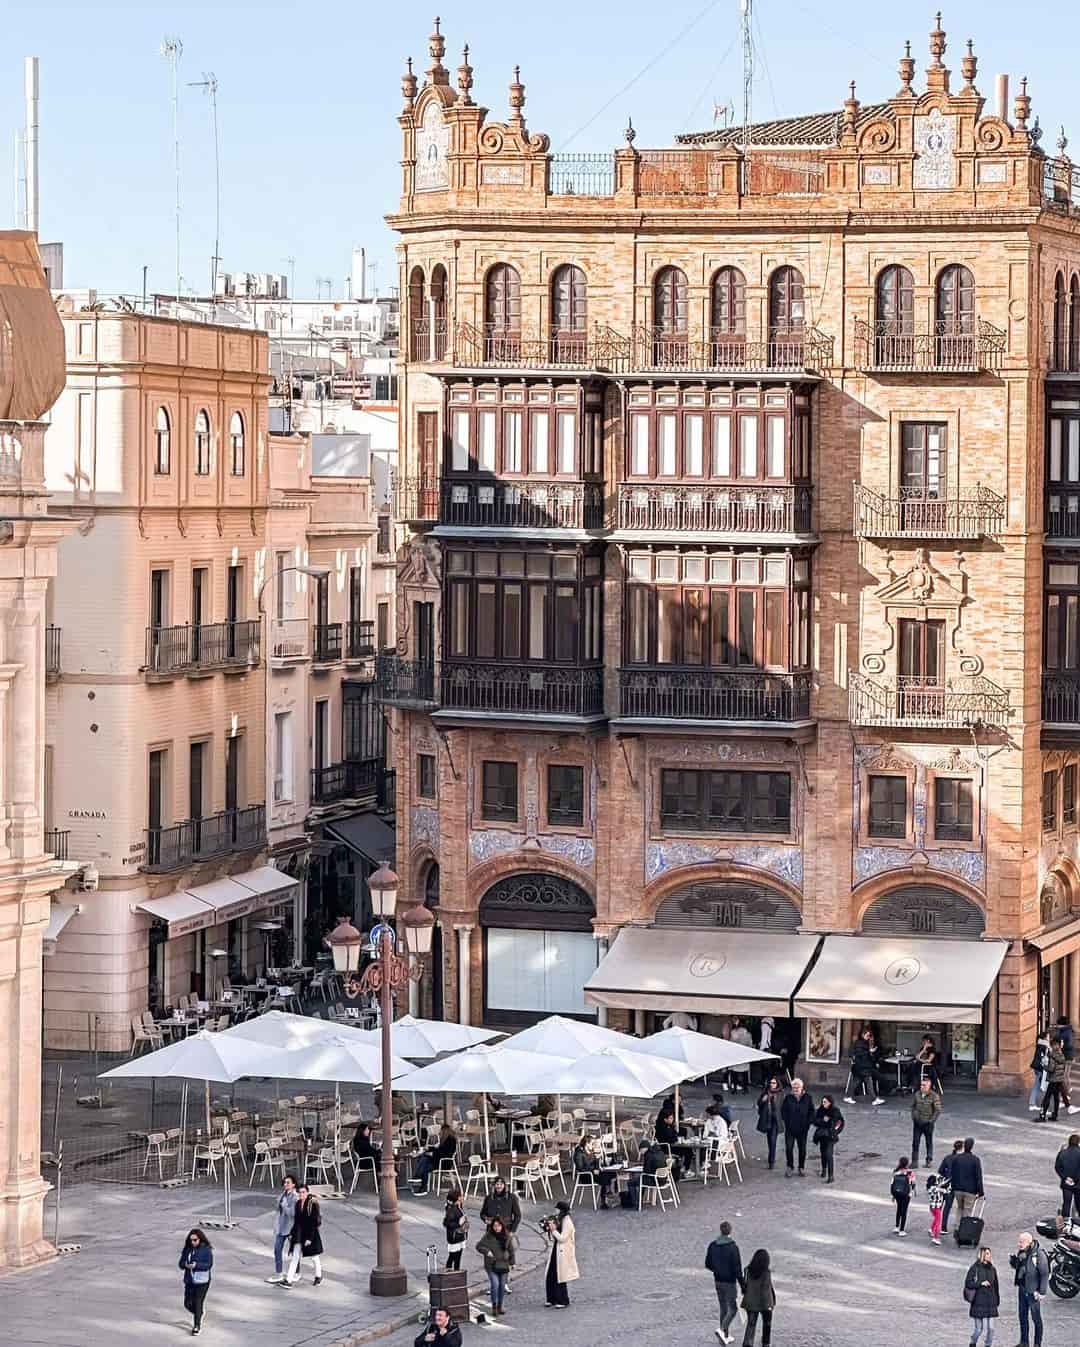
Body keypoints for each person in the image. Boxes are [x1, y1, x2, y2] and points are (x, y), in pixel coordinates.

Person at [705, 1219, 745, 1345]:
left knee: (723, 1307)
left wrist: (717, 1270)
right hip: (729, 1282)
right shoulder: (733, 1247)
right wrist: (743, 1284)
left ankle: (725, 1335)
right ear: (730, 1231)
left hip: (717, 1281)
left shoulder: (713, 1245)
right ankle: (723, 1329)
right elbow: (737, 1269)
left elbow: (708, 1264)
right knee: (733, 1309)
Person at [1009, 1232, 1049, 1347]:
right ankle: (1024, 1342)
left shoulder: (1039, 1254)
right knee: (1022, 1316)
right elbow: (1022, 1268)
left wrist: (1042, 1292)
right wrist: (1014, 1263)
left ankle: (1037, 1344)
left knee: (1036, 1319)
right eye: (1019, 1241)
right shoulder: (1022, 1251)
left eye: (1021, 1242)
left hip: (1033, 1292)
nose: (1019, 1244)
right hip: (1022, 1289)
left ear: (1029, 1242)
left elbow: (1044, 1273)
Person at [480, 1177, 522, 1285]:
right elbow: (482, 1213)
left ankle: (504, 1283)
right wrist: (485, 1219)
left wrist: (513, 1230)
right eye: (497, 1184)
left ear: (504, 1185)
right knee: (491, 1257)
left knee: (505, 1256)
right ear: (494, 1186)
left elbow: (517, 1216)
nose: (498, 1186)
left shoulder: (511, 1198)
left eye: (501, 1184)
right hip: (491, 1231)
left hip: (506, 1231)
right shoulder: (489, 1198)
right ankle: (493, 1283)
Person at [282, 1184, 323, 1287]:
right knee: (295, 1256)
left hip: (310, 1234)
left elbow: (314, 1222)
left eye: (303, 1192)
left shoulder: (312, 1203)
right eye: (300, 1192)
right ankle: (289, 1280)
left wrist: (310, 1238)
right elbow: (297, 1221)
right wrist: (292, 1233)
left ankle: (318, 1276)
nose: (301, 1194)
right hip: (299, 1234)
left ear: (307, 1192)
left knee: (314, 1257)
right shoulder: (298, 1203)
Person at [178, 1228, 213, 1336]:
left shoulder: (206, 1250)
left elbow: (209, 1265)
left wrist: (196, 1265)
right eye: (191, 1240)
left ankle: (196, 1325)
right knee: (187, 1303)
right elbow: (180, 1263)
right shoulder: (187, 1249)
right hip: (190, 1280)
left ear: (200, 1239)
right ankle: (199, 1313)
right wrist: (185, 1265)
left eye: (195, 1240)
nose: (193, 1242)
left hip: (202, 1282)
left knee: (198, 1302)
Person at [964, 1246, 1000, 1347]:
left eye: (990, 1253)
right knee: (978, 1329)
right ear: (982, 1255)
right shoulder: (974, 1268)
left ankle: (988, 1345)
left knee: (991, 1329)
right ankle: (973, 1343)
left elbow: (996, 1285)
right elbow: (968, 1283)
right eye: (987, 1253)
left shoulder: (993, 1269)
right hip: (978, 1302)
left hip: (991, 1302)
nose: (989, 1255)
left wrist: (997, 1300)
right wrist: (980, 1283)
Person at [545, 1201, 579, 1308]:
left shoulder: (567, 1222)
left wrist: (553, 1230)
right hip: (557, 1250)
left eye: (557, 1209)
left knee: (560, 1276)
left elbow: (562, 1238)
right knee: (551, 1274)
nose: (555, 1211)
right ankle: (551, 1298)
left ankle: (562, 1300)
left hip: (563, 1252)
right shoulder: (560, 1219)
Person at [476, 1216, 512, 1317]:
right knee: (495, 1285)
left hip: (504, 1265)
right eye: (495, 1226)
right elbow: (478, 1246)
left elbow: (511, 1249)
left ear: (502, 1226)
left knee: (502, 1286)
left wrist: (512, 1262)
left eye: (499, 1225)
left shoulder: (507, 1236)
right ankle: (494, 1306)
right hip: (491, 1265)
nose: (497, 1228)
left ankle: (500, 1306)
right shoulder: (488, 1236)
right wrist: (487, 1252)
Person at [266, 1173, 298, 1284]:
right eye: (284, 1182)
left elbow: (292, 1213)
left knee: (294, 1251)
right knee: (277, 1249)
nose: (285, 1184)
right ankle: (279, 1273)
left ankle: (296, 1273)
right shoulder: (283, 1194)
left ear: (293, 1184)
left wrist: (284, 1205)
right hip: (281, 1227)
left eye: (288, 1182)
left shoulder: (294, 1197)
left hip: (290, 1228)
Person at [740, 1248, 775, 1347]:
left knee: (751, 1324)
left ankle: (748, 1343)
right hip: (764, 1303)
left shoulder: (747, 1270)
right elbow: (766, 1290)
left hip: (750, 1302)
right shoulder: (766, 1272)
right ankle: (765, 1343)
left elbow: (744, 1286)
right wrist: (769, 1305)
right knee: (767, 1324)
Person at [410, 1122, 458, 1195]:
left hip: (444, 1163)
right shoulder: (445, 1140)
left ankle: (419, 1181)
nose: (439, 1133)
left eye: (441, 1131)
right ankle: (420, 1182)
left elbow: (444, 1153)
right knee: (424, 1159)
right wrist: (428, 1149)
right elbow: (438, 1149)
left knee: (424, 1163)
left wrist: (432, 1153)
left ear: (444, 1131)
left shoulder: (450, 1141)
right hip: (439, 1161)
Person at [780, 1077, 814, 1177]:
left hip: (803, 1129)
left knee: (802, 1149)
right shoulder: (788, 1098)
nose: (795, 1089)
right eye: (794, 1087)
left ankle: (801, 1167)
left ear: (802, 1088)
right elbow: (783, 1111)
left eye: (797, 1087)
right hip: (790, 1129)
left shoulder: (807, 1097)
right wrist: (787, 1122)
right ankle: (790, 1166)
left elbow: (812, 1111)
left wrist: (808, 1123)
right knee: (789, 1148)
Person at [572, 1133, 615, 1204]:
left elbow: (595, 1163)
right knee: (604, 1177)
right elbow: (580, 1168)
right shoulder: (578, 1153)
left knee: (611, 1174)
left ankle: (609, 1194)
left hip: (593, 1173)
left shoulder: (591, 1151)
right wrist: (592, 1171)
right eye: (592, 1144)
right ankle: (604, 1200)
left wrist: (600, 1163)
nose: (593, 1145)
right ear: (586, 1144)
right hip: (585, 1175)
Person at [845, 1028, 884, 1106]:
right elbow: (860, 1053)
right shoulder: (860, 1043)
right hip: (862, 1067)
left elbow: (864, 1054)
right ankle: (874, 1099)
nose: (868, 1037)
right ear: (863, 1035)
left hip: (861, 1067)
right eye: (867, 1035)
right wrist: (870, 1051)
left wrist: (871, 1053)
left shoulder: (863, 1043)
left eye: (869, 1035)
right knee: (868, 1082)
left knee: (857, 1082)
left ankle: (848, 1096)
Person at [951, 1137, 985, 1225]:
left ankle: (957, 1227)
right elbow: (978, 1176)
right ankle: (963, 1231)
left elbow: (953, 1173)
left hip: (958, 1189)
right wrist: (981, 1192)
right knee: (967, 1211)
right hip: (970, 1190)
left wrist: (953, 1187)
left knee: (960, 1208)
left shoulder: (957, 1158)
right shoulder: (975, 1160)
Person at [655, 1106, 696, 1178]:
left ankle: (684, 1168)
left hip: (671, 1145)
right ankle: (686, 1169)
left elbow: (674, 1135)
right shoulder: (662, 1128)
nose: (672, 1119)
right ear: (665, 1119)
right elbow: (671, 1138)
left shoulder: (667, 1126)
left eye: (672, 1117)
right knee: (688, 1151)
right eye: (670, 1118)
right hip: (667, 1148)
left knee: (688, 1150)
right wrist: (677, 1138)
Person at [811, 1094, 844, 1183]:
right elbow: (815, 1121)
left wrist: (835, 1131)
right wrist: (824, 1121)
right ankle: (824, 1170)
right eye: (822, 1101)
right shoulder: (820, 1110)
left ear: (830, 1102)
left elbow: (840, 1122)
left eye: (825, 1102)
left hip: (830, 1136)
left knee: (829, 1154)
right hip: (822, 1136)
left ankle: (831, 1175)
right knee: (823, 1153)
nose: (823, 1103)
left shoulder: (835, 1111)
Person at [911, 1076, 943, 1166]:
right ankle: (914, 1161)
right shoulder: (917, 1094)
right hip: (917, 1122)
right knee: (915, 1142)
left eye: (924, 1085)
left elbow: (938, 1110)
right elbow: (913, 1106)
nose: (922, 1087)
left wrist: (931, 1121)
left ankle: (929, 1160)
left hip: (928, 1123)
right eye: (921, 1085)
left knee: (928, 1142)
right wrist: (914, 1117)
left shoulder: (934, 1096)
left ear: (929, 1086)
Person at [755, 1077, 783, 1171]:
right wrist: (763, 1100)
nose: (772, 1084)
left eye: (774, 1083)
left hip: (775, 1121)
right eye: (771, 1082)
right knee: (769, 1140)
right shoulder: (765, 1092)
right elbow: (759, 1103)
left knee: (772, 1141)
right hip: (767, 1120)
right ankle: (771, 1156)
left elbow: (781, 1107)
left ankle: (771, 1161)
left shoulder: (780, 1094)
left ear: (777, 1084)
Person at [939, 1139, 965, 1236]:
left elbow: (940, 1170)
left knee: (939, 1206)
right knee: (948, 1207)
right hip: (955, 1186)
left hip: (945, 1184)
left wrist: (946, 1176)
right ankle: (944, 1226)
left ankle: (936, 1225)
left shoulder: (948, 1157)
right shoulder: (962, 1159)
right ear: (962, 1148)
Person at [1038, 1038, 1068, 1122]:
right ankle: (1055, 1115)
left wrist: (1044, 1066)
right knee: (1056, 1097)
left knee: (1047, 1097)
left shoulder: (1052, 1056)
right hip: (1059, 1079)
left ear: (1056, 1045)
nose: (1052, 1046)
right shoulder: (1061, 1055)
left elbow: (1051, 1069)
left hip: (1053, 1079)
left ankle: (1042, 1115)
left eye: (1052, 1045)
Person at [1055, 1133, 1080, 1221]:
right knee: (1079, 1203)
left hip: (1066, 1183)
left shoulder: (1063, 1153)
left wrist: (1065, 1178)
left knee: (1066, 1203)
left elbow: (1057, 1167)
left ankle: (1065, 1222)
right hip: (1078, 1183)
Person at [890, 1156, 917, 1236]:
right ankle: (902, 1230)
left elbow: (892, 1183)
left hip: (897, 1193)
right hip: (906, 1194)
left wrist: (893, 1195)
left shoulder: (895, 1171)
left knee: (899, 1209)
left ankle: (896, 1227)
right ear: (907, 1164)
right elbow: (913, 1183)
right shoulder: (910, 1173)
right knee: (904, 1211)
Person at [443, 1189, 468, 1271]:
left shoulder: (458, 1206)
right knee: (454, 1256)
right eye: (461, 1196)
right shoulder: (452, 1209)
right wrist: (459, 1223)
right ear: (458, 1198)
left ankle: (454, 1270)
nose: (462, 1197)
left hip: (459, 1235)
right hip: (455, 1236)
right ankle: (451, 1270)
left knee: (457, 1255)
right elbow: (447, 1223)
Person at [729, 1019, 754, 1093]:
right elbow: (750, 1045)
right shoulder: (748, 1034)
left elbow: (730, 1043)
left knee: (734, 1074)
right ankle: (745, 1089)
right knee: (744, 1073)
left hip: (735, 1055)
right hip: (745, 1056)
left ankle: (735, 1089)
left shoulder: (733, 1033)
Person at [1030, 1033, 1051, 1112]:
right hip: (1041, 1068)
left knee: (1039, 1085)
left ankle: (1033, 1104)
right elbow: (1045, 1058)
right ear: (1045, 1038)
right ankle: (1034, 1104)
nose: (1049, 1037)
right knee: (1041, 1086)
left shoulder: (1040, 1044)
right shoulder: (1045, 1046)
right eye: (1048, 1036)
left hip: (1037, 1067)